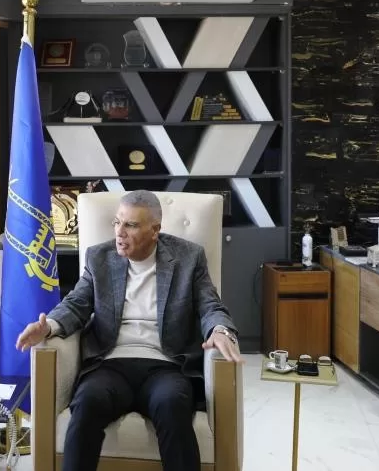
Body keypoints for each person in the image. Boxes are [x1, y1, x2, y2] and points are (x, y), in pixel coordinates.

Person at [15, 190, 242, 471]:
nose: (119, 232)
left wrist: (220, 330)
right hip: (111, 364)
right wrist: (49, 327)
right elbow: (76, 304)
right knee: (87, 403)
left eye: (131, 225)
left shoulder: (188, 257)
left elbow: (210, 305)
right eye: (117, 222)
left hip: (166, 365)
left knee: (173, 405)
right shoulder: (100, 257)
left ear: (155, 230)